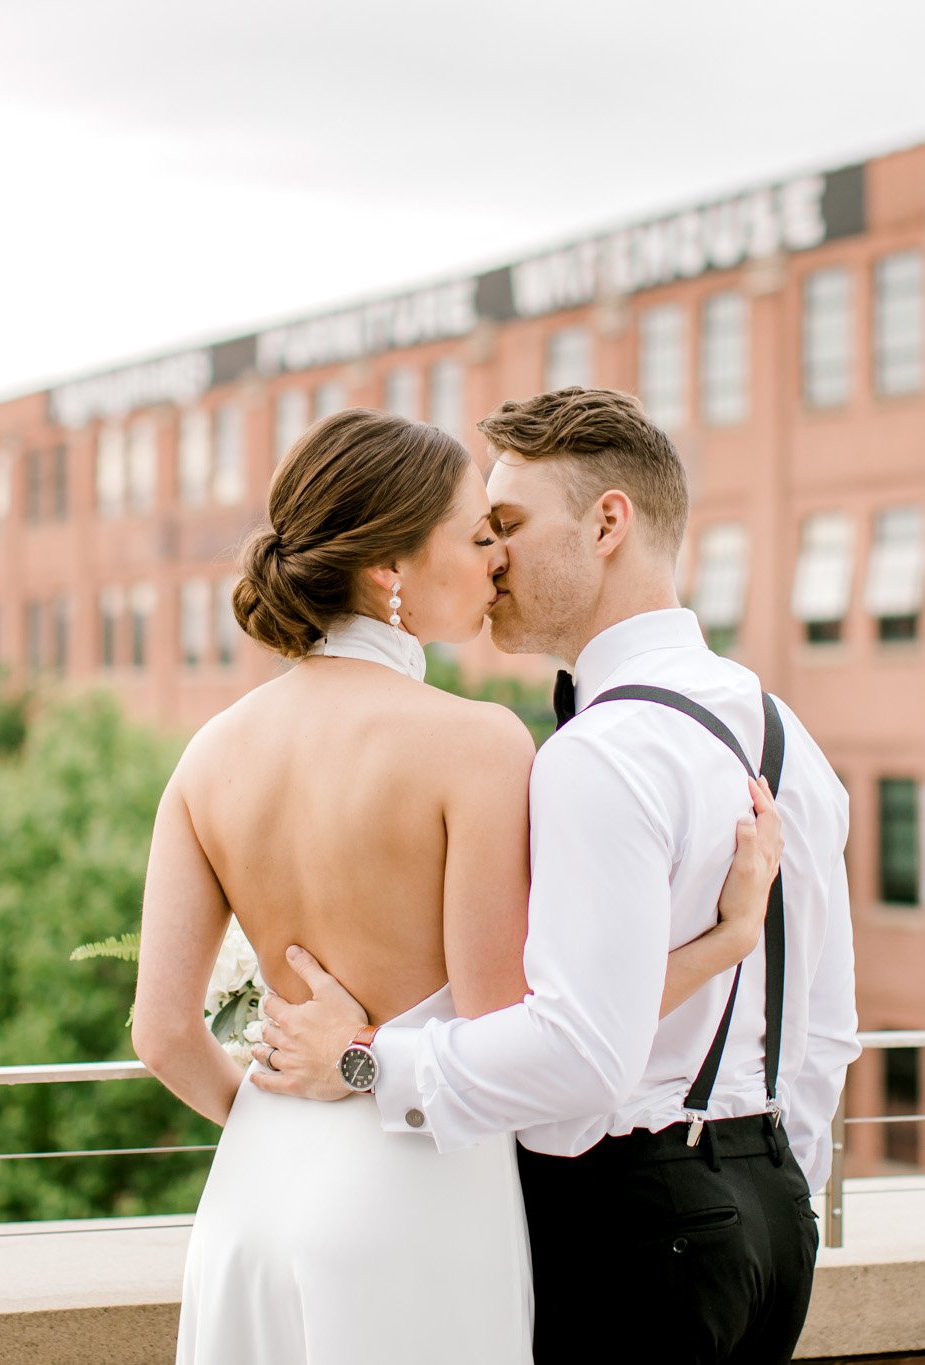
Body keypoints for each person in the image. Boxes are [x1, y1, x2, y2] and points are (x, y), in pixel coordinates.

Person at [128, 406, 784, 1365]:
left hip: (248, 1200)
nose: (497, 564)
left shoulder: (209, 753)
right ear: (391, 572)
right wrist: (723, 942)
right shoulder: (477, 744)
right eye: (478, 537)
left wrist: (284, 1126)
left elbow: (161, 1031)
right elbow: (519, 1030)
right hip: (412, 1200)